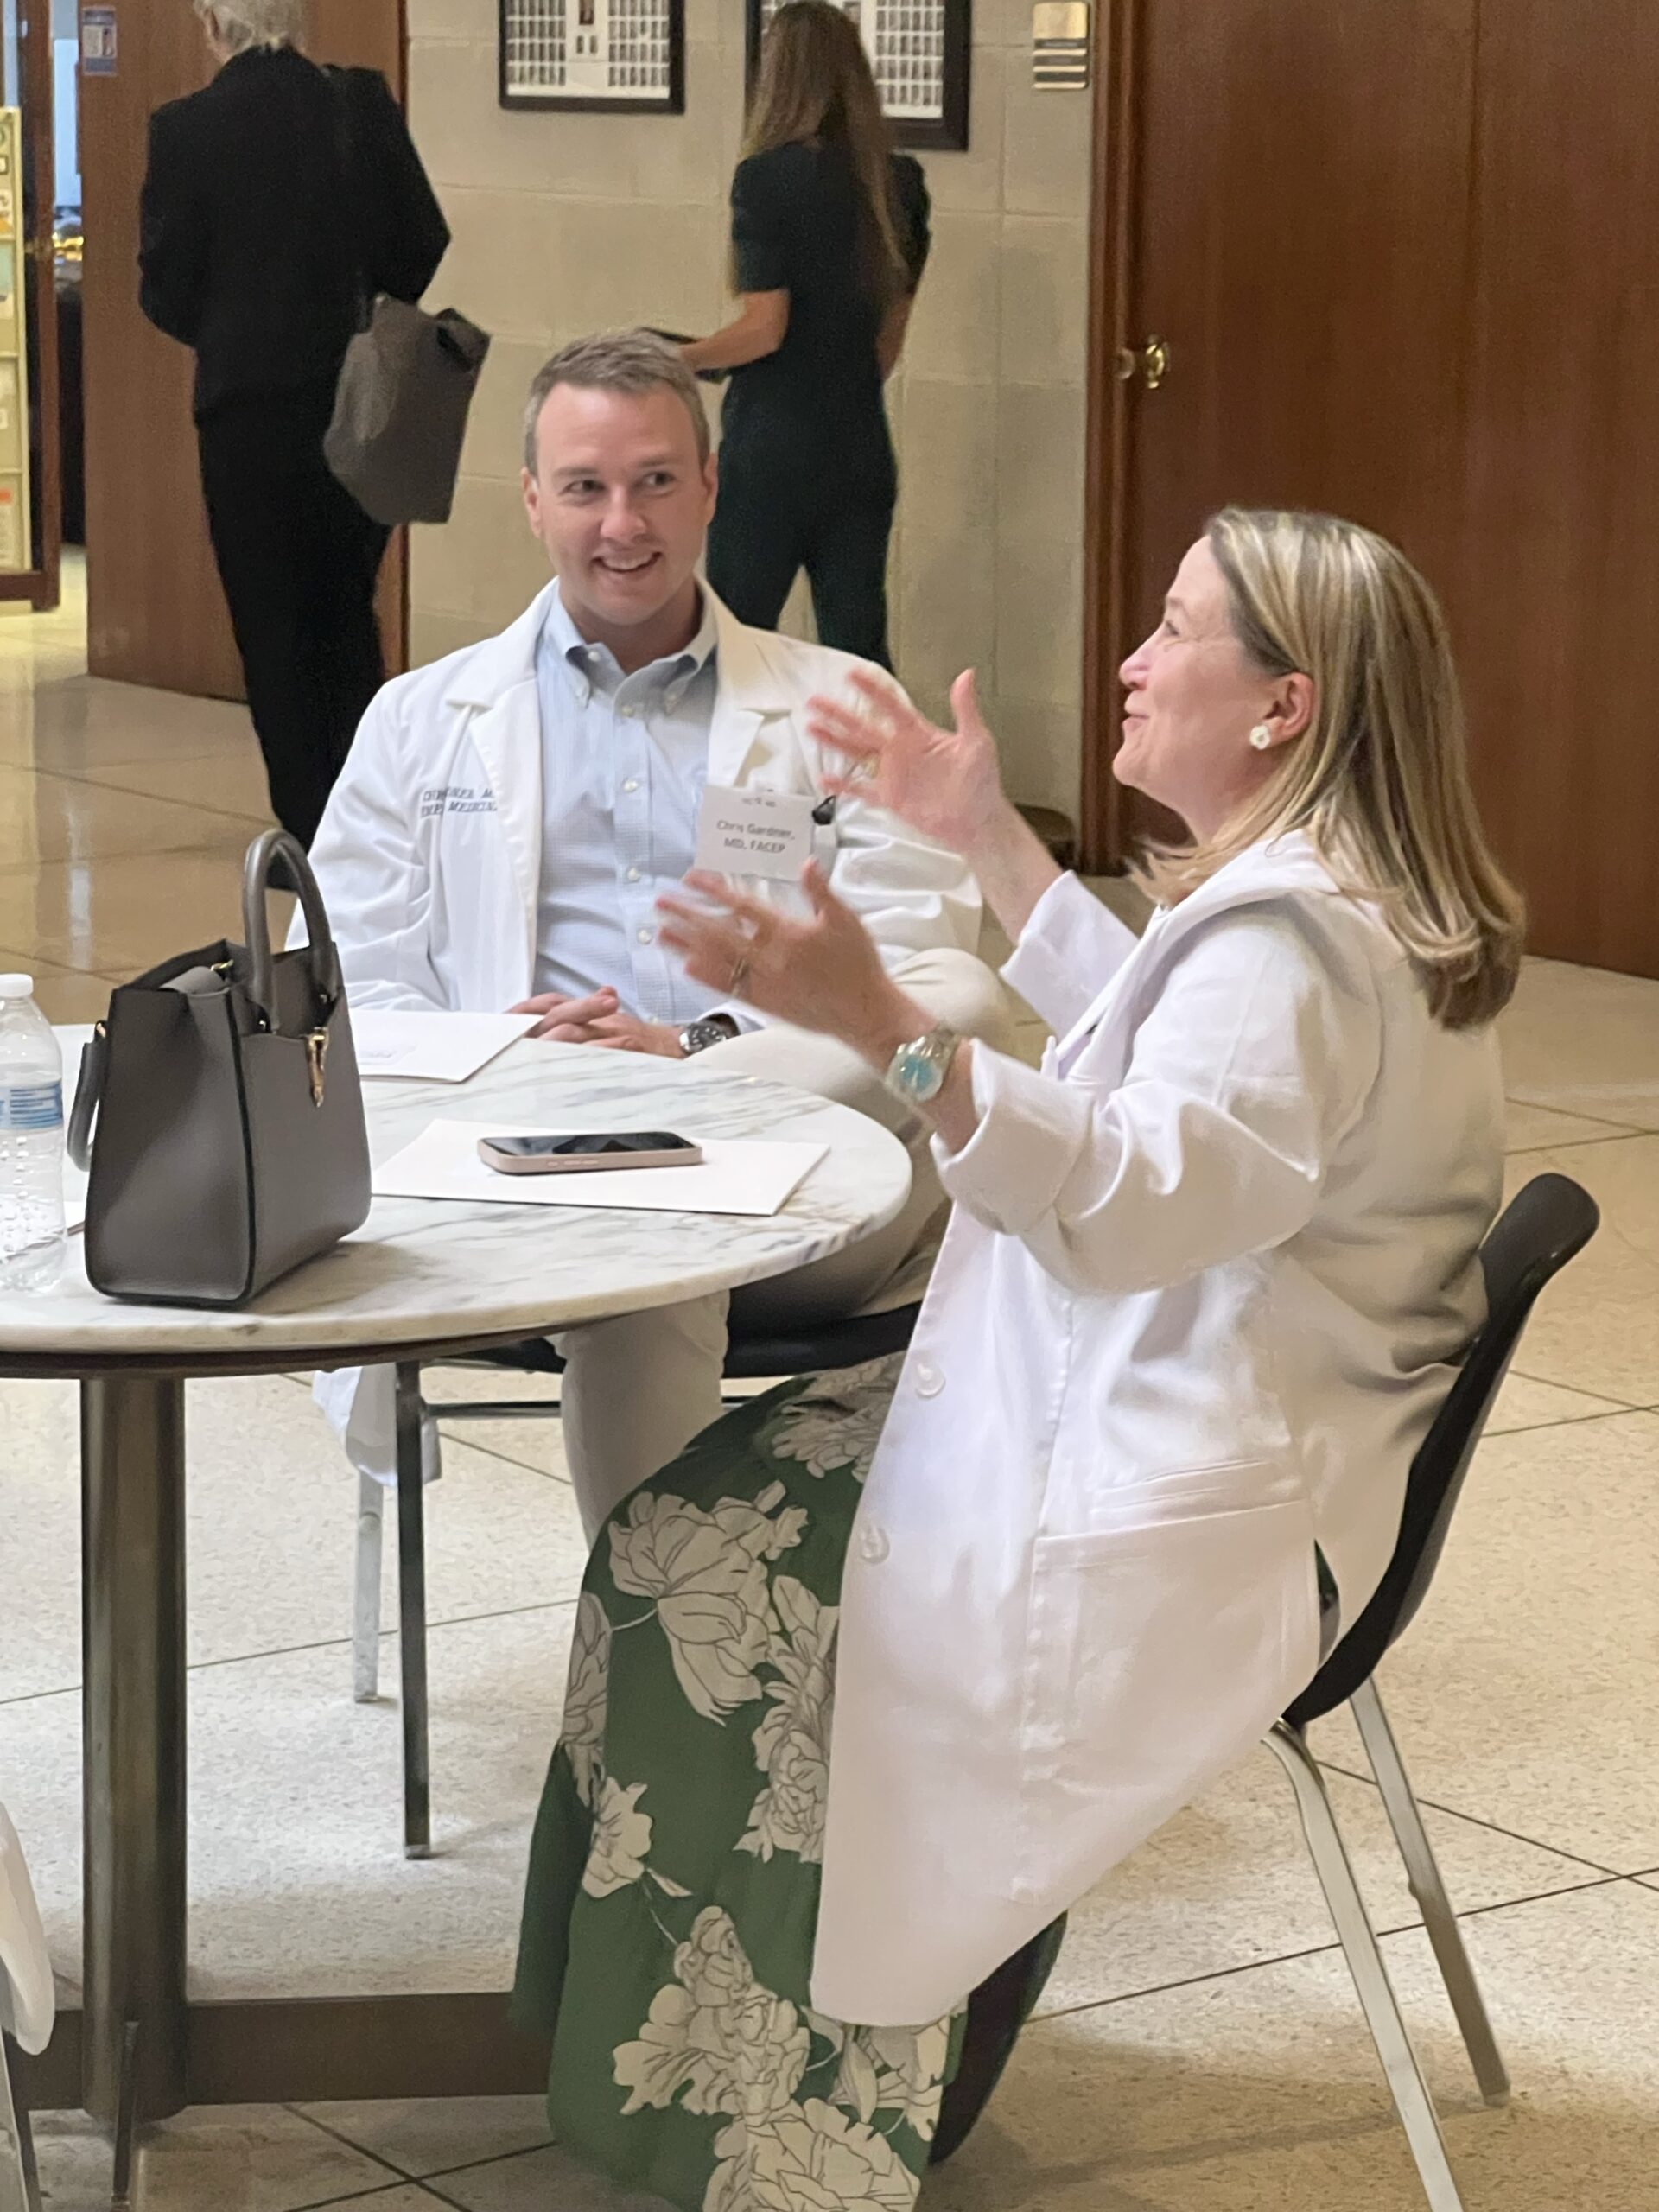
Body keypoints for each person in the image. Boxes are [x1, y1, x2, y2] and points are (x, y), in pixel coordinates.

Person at [512, 509, 1525, 2210]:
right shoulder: (1332, 904)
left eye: (1176, 629)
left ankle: (785, 2115)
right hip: (1252, 1436)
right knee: (713, 1512)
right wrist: (988, 842)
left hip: (1196, 1496)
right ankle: (781, 2051)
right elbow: (1176, 1070)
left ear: (1284, 704)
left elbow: (1126, 1201)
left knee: (685, 1563)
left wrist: (886, 1027)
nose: (1131, 659)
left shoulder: (1287, 947)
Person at [305, 328, 1012, 1536]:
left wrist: (692, 1055)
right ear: (533, 501)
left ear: (712, 487)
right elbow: (344, 992)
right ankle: (652, 1637)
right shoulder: (420, 720)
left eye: (656, 482)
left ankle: (648, 1642)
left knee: (962, 993)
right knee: (647, 1250)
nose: (622, 524)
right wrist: (523, 1056)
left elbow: (910, 971)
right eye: (585, 487)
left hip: (807, 1180)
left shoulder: (841, 705)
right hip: (524, 1172)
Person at [138, 0, 449, 849]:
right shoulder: (361, 105)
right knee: (347, 616)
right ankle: (374, 819)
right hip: (362, 400)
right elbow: (421, 242)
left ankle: (314, 833)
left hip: (247, 414)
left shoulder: (186, 129)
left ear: (214, 22)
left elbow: (164, 286)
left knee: (273, 631)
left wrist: (236, 327)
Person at [680, 0, 930, 669]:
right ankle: (872, 744)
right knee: (858, 651)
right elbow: (885, 349)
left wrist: (681, 358)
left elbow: (765, 329)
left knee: (736, 643)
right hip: (859, 444)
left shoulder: (765, 178)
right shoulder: (899, 185)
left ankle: (738, 747)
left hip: (771, 449)